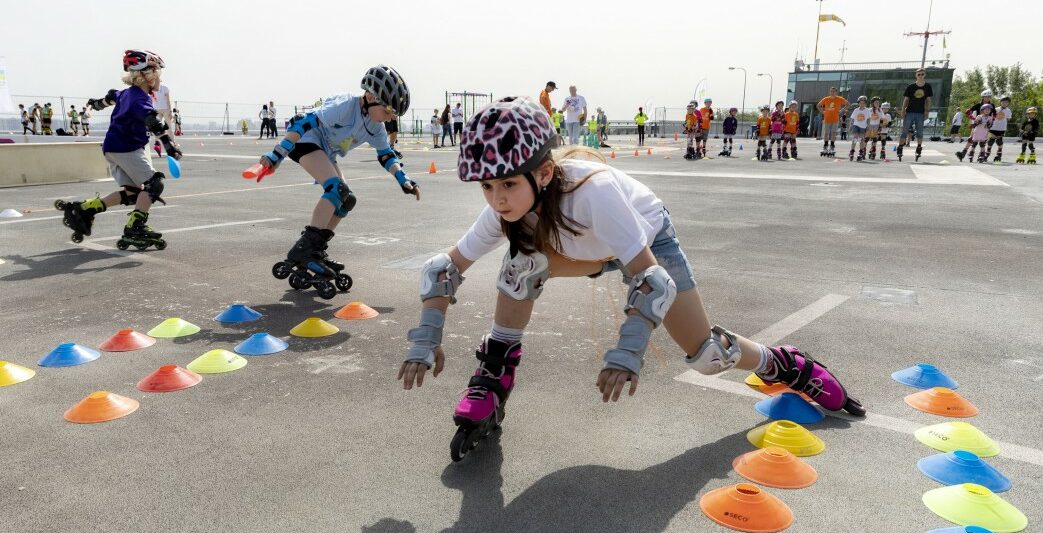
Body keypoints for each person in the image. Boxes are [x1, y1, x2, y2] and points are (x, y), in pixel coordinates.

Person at [396, 97, 865, 462]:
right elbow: (445, 269)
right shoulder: (508, 204)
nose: (498, 200)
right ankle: (495, 372)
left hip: (646, 244)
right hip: (585, 251)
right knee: (522, 261)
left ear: (543, 173)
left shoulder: (592, 192)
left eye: (508, 185)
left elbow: (651, 281)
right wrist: (425, 337)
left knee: (706, 356)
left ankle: (785, 365)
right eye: (488, 187)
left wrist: (628, 350)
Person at [257, 65, 419, 299]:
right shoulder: (346, 105)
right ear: (372, 97)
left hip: (325, 150)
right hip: (305, 139)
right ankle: (304, 251)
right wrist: (277, 154)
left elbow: (386, 155)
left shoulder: (376, 126)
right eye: (389, 111)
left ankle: (316, 249)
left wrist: (403, 179)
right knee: (335, 188)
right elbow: (304, 122)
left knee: (346, 200)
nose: (391, 118)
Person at [54, 49, 182, 250]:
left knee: (133, 193)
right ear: (146, 76)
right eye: (157, 73)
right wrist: (169, 145)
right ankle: (135, 228)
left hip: (113, 148)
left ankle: (85, 209)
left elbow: (110, 97)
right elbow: (152, 120)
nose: (159, 78)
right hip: (127, 148)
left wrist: (97, 104)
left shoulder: (126, 94)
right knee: (154, 185)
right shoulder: (140, 98)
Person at [897, 68, 933, 162]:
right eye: (919, 74)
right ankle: (900, 147)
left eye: (922, 74)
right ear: (916, 75)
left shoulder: (927, 86)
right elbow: (906, 99)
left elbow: (928, 100)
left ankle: (918, 148)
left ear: (924, 75)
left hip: (920, 113)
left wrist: (927, 111)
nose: (920, 76)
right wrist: (903, 111)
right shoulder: (911, 86)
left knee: (920, 132)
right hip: (909, 112)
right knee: (904, 131)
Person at [817, 87, 847, 157]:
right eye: (831, 91)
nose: (832, 93)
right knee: (826, 133)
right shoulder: (826, 99)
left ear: (836, 92)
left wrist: (842, 110)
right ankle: (825, 146)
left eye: (834, 91)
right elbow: (818, 105)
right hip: (827, 118)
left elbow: (848, 104)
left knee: (833, 133)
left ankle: (832, 146)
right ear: (829, 92)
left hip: (835, 119)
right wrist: (823, 112)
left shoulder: (839, 99)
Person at [984, 95, 1012, 163]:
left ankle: (999, 155)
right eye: (1003, 102)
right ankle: (987, 154)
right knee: (990, 142)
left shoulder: (1008, 110)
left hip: (1001, 128)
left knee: (999, 142)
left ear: (1008, 103)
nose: (1004, 103)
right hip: (993, 128)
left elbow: (1009, 118)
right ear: (1000, 102)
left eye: (1006, 102)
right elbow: (990, 117)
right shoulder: (996, 109)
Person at [152, 81, 174, 153]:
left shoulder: (151, 88)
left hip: (156, 109)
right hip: (165, 109)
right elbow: (168, 100)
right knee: (169, 127)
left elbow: (150, 100)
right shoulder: (165, 87)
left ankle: (157, 143)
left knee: (157, 128)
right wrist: (170, 111)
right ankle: (172, 144)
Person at [847, 96, 870, 162]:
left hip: (863, 126)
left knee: (861, 139)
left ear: (865, 104)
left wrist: (868, 126)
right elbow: (852, 119)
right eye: (860, 103)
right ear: (858, 103)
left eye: (863, 103)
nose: (862, 104)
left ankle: (861, 152)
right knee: (855, 137)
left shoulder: (867, 110)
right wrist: (850, 126)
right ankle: (852, 151)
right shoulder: (856, 110)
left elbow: (868, 119)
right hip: (856, 125)